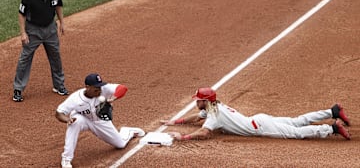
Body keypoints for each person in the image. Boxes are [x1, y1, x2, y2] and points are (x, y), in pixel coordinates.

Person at [161, 87, 351, 141]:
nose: (196, 102)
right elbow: (197, 118)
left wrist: (182, 137)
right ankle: (332, 111)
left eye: (199, 100)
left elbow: (204, 132)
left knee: (296, 132)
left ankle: (331, 127)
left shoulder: (213, 115)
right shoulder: (214, 107)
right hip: (259, 119)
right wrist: (175, 121)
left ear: (206, 101)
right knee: (297, 121)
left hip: (262, 126)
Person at [55, 73, 145, 168]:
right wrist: (67, 120)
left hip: (100, 121)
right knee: (75, 123)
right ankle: (66, 158)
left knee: (120, 145)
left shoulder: (104, 89)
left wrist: (113, 98)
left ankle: (128, 131)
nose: (99, 90)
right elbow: (59, 113)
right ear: (87, 87)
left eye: (100, 87)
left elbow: (123, 88)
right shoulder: (75, 98)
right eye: (96, 88)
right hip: (83, 119)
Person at [13, 0, 68, 102]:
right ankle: (18, 89)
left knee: (55, 56)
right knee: (25, 58)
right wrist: (23, 33)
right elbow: (22, 14)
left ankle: (59, 85)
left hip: (50, 29)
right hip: (33, 30)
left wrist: (62, 22)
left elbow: (58, 6)